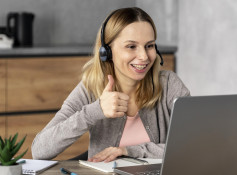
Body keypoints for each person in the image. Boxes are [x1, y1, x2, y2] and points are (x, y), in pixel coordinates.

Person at [31, 7, 190, 162]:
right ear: (107, 51)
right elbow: (39, 150)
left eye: (149, 46)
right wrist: (94, 111)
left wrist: (129, 151)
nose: (144, 56)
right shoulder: (91, 88)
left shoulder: (169, 84)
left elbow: (192, 144)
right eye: (131, 46)